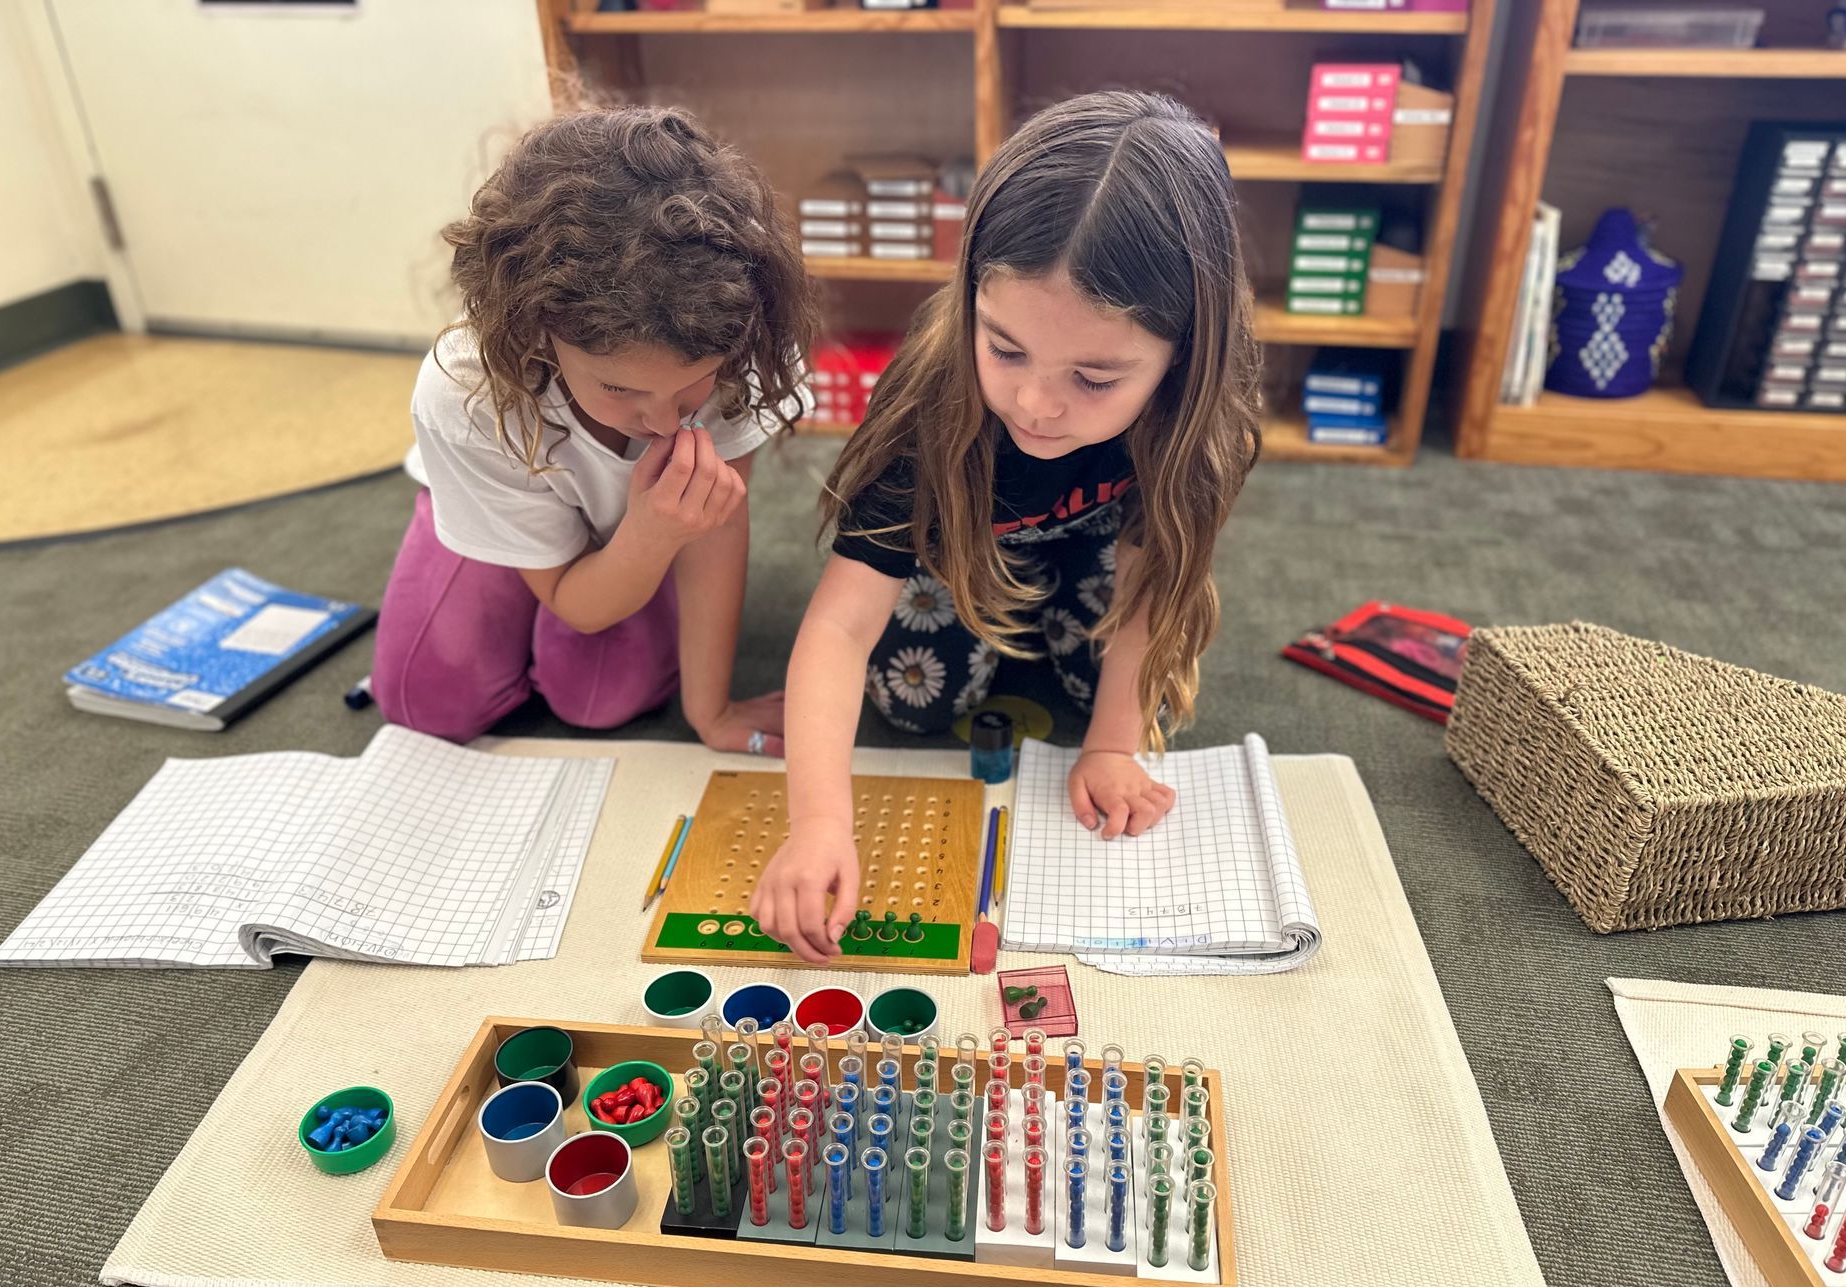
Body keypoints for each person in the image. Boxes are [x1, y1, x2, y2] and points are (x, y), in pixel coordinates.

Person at [752, 91, 1261, 963]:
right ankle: (1015, 632)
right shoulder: (931, 404)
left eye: (1095, 379)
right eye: (1006, 348)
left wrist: (1107, 742)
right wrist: (817, 823)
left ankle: (1046, 646)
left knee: (1126, 689)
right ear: (972, 299)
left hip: (1096, 561)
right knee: (913, 700)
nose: (1036, 403)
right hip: (961, 561)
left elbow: (1152, 585)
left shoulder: (1195, 425)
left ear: (1183, 354)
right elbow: (841, 624)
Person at [372, 105, 816, 753]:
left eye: (694, 381)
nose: (666, 422)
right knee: (424, 698)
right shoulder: (465, 389)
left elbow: (716, 528)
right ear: (535, 330)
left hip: (640, 524)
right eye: (619, 387)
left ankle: (605, 564)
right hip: (511, 491)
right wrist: (646, 540)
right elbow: (571, 600)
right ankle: (504, 553)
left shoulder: (741, 332)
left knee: (602, 698)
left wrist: (710, 709)